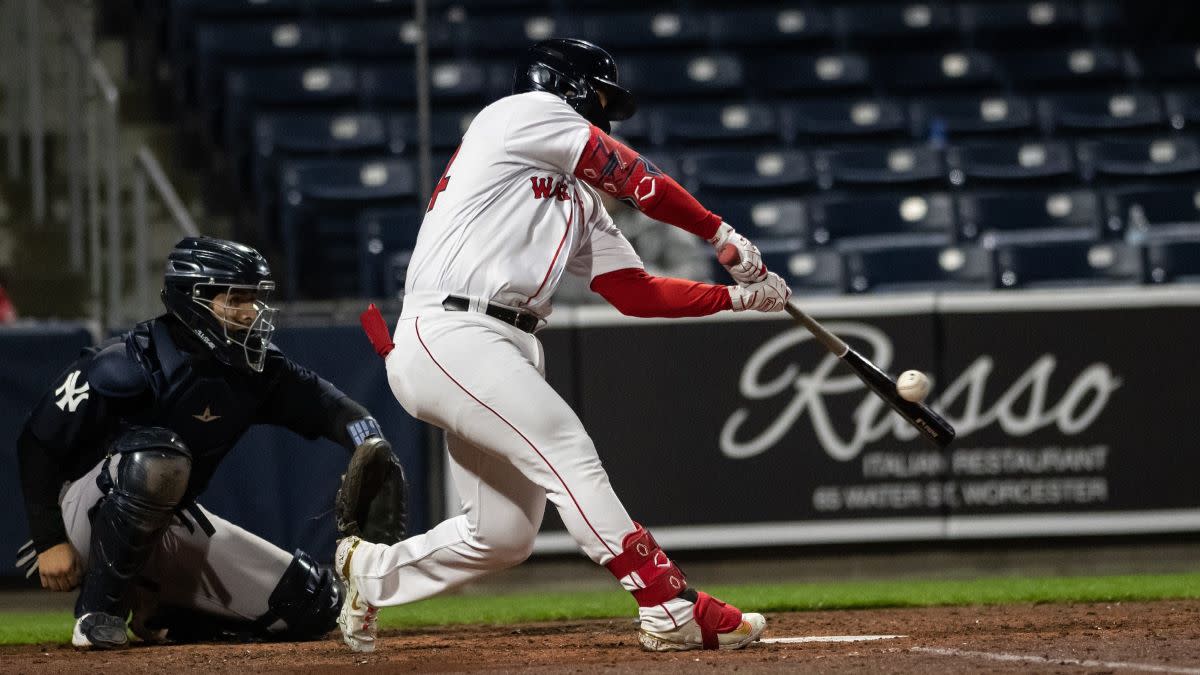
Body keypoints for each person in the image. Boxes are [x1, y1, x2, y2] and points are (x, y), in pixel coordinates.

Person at [340, 39, 790, 653]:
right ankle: (667, 604)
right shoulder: (522, 112)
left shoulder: (578, 200)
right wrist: (720, 231)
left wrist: (737, 299)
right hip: (452, 330)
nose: (604, 111)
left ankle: (369, 573)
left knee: (501, 536)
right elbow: (638, 178)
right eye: (601, 96)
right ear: (570, 85)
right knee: (567, 450)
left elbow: (635, 292)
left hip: (503, 343)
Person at [16, 236, 403, 649]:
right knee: (157, 458)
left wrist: (371, 444)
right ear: (192, 300)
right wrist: (49, 540)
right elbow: (36, 443)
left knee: (313, 603)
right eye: (236, 299)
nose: (250, 312)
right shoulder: (126, 362)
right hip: (81, 516)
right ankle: (99, 613)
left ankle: (167, 611)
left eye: (254, 299)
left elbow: (336, 410)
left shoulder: (256, 369)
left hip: (167, 524)